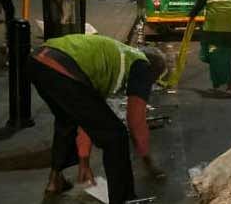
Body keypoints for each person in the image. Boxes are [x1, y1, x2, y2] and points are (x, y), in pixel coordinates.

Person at [29, 34, 167, 203]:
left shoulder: (114, 59)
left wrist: (84, 160)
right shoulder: (142, 66)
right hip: (63, 67)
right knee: (116, 137)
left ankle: (54, 181)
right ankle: (123, 199)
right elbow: (136, 120)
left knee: (67, 120)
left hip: (37, 61)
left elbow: (86, 119)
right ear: (153, 73)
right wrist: (147, 160)